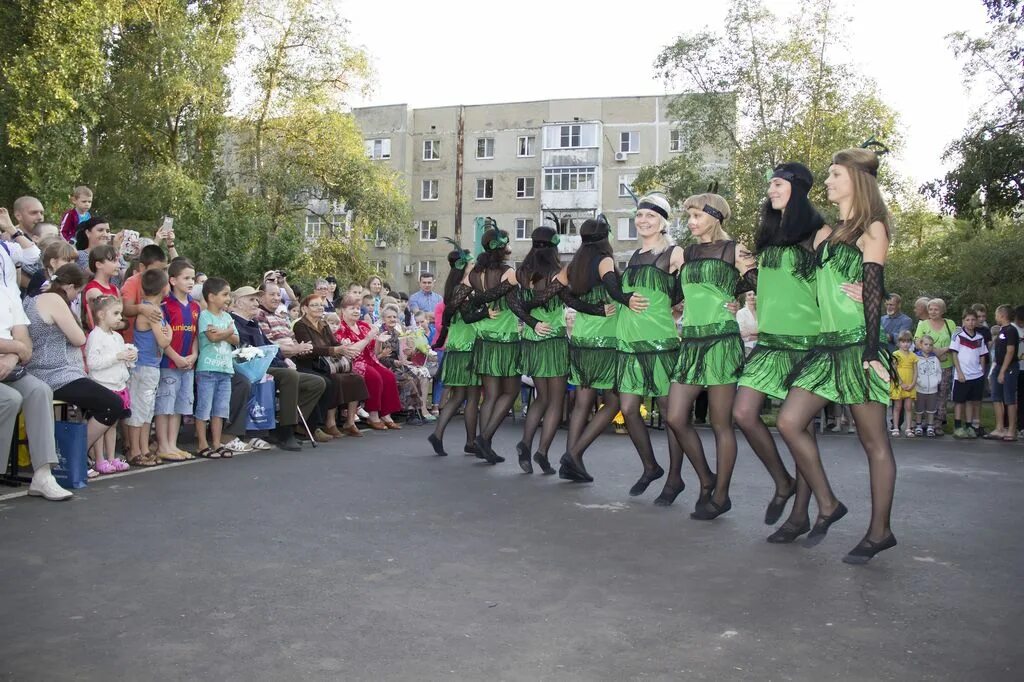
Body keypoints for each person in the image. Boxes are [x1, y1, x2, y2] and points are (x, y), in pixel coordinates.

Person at [778, 147, 897, 564]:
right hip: (826, 345)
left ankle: (879, 531)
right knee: (789, 421)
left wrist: (870, 349)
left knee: (873, 442)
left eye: (834, 175)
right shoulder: (832, 232)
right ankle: (827, 503)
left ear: (856, 180)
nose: (827, 182)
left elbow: (874, 291)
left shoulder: (873, 228)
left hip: (857, 346)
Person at [733, 162, 835, 539]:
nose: (771, 190)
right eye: (770, 185)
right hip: (769, 342)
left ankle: (799, 516)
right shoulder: (771, 233)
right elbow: (777, 286)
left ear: (797, 187)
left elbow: (841, 275)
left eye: (777, 184)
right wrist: (748, 272)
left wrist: (865, 292)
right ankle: (783, 482)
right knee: (743, 413)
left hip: (808, 343)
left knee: (798, 431)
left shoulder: (819, 233)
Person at [663, 192, 753, 519]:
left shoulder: (734, 249)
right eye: (689, 217)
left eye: (696, 216)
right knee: (674, 417)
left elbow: (760, 279)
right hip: (691, 341)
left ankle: (721, 495)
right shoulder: (687, 253)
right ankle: (705, 479)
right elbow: (678, 292)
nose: (691, 223)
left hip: (721, 341)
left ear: (714, 216)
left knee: (720, 424)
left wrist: (738, 295)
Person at [604, 194, 695, 497]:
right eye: (640, 215)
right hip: (628, 342)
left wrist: (709, 305)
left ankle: (674, 478)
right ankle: (650, 466)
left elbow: (693, 286)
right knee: (629, 409)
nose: (643, 220)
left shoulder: (674, 252)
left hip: (659, 343)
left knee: (672, 416)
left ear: (663, 221)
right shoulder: (634, 255)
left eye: (650, 216)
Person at [512, 225, 601, 475]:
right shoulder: (558, 273)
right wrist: (597, 309)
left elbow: (517, 305)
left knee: (542, 397)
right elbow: (570, 300)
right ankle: (541, 452)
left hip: (531, 340)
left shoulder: (522, 272)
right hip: (554, 339)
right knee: (555, 401)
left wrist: (531, 323)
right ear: (554, 246)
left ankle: (525, 443)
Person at [25, 264, 128, 457]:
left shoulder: (32, 300)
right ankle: (76, 452)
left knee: (87, 406)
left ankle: (73, 453)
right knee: (112, 404)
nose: (75, 298)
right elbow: (79, 338)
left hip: (45, 371)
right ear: (70, 287)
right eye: (78, 292)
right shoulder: (55, 300)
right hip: (56, 374)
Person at [552, 216, 620, 482]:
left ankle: (572, 460)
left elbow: (558, 292)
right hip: (605, 341)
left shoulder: (574, 265)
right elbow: (615, 291)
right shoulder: (605, 261)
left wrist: (587, 308)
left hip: (581, 340)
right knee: (614, 402)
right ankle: (575, 454)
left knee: (582, 403)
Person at [464, 222, 531, 464]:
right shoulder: (508, 273)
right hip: (506, 340)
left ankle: (485, 445)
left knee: (490, 396)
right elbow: (515, 304)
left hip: (484, 339)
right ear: (502, 248)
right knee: (511, 392)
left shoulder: (473, 273)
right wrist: (532, 320)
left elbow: (463, 304)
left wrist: (480, 309)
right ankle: (485, 438)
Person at [0, 282, 73, 501]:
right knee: (10, 399)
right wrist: (17, 348)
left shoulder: (8, 294)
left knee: (39, 390)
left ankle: (43, 475)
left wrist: (13, 356)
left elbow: (25, 343)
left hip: (10, 366)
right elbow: (20, 345)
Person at [231, 285, 328, 449]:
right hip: (250, 369)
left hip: (267, 366)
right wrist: (281, 362)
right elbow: (246, 353)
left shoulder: (253, 323)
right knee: (289, 376)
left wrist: (285, 359)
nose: (256, 303)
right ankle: (286, 431)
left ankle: (283, 422)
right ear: (239, 303)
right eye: (252, 299)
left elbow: (271, 348)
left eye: (256, 299)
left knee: (316, 382)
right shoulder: (234, 323)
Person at [428, 247, 490, 457]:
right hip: (466, 347)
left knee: (461, 395)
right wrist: (486, 312)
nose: (475, 269)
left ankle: (443, 435)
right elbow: (468, 317)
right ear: (464, 267)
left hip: (459, 345)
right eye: (471, 266)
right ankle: (468, 441)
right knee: (470, 397)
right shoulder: (461, 290)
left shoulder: (453, 288)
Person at [291, 294, 370, 437]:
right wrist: (334, 350)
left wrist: (344, 348)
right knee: (330, 381)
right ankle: (324, 424)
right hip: (309, 364)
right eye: (314, 305)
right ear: (304, 308)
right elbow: (310, 349)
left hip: (326, 364)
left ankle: (350, 422)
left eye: (321, 305)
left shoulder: (323, 324)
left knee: (356, 378)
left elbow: (334, 343)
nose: (319, 308)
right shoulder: (300, 325)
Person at [124, 268, 172, 467]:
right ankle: (134, 450)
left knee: (146, 411)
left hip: (151, 366)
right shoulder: (152, 312)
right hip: (142, 366)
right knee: (138, 409)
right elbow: (163, 341)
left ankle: (144, 448)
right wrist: (169, 333)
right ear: (164, 288)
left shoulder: (154, 309)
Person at [335, 294, 403, 429]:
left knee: (388, 376)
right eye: (351, 308)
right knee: (374, 377)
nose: (356, 311)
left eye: (358, 308)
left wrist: (378, 341)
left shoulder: (364, 325)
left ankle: (386, 414)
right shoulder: (340, 328)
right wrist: (367, 339)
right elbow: (351, 352)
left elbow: (375, 352)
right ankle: (373, 416)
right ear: (343, 310)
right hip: (353, 362)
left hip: (371, 360)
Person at [85, 296, 136, 473]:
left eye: (120, 313)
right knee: (101, 423)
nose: (119, 318)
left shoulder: (117, 337)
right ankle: (99, 459)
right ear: (100, 314)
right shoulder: (95, 336)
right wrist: (117, 357)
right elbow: (92, 363)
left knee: (112, 425)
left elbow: (121, 361)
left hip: (118, 384)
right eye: (115, 313)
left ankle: (111, 456)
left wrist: (129, 358)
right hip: (102, 385)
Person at [154, 259, 199, 461]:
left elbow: (196, 334)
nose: (190, 282)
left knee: (180, 406)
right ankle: (162, 444)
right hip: (169, 364)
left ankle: (173, 444)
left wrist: (194, 355)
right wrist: (175, 357)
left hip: (188, 364)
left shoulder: (195, 306)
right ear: (172, 280)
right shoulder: (165, 305)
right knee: (165, 405)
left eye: (192, 278)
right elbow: (162, 337)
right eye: (186, 278)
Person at [194, 277, 238, 458]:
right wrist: (227, 331)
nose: (228, 298)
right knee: (204, 407)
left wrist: (223, 333)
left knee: (220, 409)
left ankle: (216, 442)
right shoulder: (205, 315)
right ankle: (202, 444)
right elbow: (212, 337)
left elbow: (236, 340)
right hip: (207, 369)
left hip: (225, 369)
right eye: (225, 294)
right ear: (211, 297)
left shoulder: (227, 316)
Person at [378, 304, 434, 424]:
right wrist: (395, 362)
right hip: (385, 364)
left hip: (398, 363)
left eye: (394, 317)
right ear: (383, 319)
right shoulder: (380, 333)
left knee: (415, 376)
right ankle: (410, 413)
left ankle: (417, 411)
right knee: (407, 379)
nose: (392, 319)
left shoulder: (397, 333)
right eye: (389, 317)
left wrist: (410, 351)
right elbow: (378, 356)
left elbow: (404, 352)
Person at [121, 243, 176, 343]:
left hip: (155, 341)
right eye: (156, 270)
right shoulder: (132, 282)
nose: (161, 274)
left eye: (164, 269)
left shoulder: (163, 283)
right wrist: (141, 308)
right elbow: (125, 309)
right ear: (142, 267)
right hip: (133, 343)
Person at [914, 298, 956, 428]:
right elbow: (917, 342)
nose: (933, 312)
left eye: (936, 309)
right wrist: (935, 352)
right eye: (930, 309)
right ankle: (923, 421)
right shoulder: (923, 324)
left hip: (945, 364)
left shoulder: (950, 323)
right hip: (926, 365)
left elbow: (956, 341)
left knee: (942, 393)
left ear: (942, 310)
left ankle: (938, 422)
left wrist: (943, 350)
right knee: (925, 393)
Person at [950, 308, 988, 439]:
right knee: (959, 401)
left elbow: (983, 355)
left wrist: (982, 371)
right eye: (968, 320)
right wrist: (959, 372)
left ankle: (969, 426)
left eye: (973, 320)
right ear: (963, 321)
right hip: (963, 375)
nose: (971, 322)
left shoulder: (980, 337)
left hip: (976, 375)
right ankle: (958, 426)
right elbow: (954, 354)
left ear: (976, 321)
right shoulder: (958, 336)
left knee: (971, 402)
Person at [986, 304, 1019, 442]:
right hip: (998, 366)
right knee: (996, 397)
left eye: (996, 314)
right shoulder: (1001, 330)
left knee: (1009, 398)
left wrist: (1003, 370)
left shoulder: (1011, 330)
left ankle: (1011, 429)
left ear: (1002, 315)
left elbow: (1010, 351)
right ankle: (999, 428)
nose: (995, 317)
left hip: (1008, 368)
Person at [0, 204, 42, 290]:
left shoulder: (6, 247)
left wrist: (11, 229)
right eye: (33, 212)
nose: (40, 216)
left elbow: (34, 256)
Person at [82, 244, 121, 330]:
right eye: (114, 261)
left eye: (118, 261)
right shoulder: (93, 290)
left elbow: (120, 318)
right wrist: (124, 324)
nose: (119, 265)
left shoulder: (115, 289)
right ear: (99, 264)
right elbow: (107, 322)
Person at [889, 330, 918, 438]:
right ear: (898, 343)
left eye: (908, 342)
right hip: (898, 384)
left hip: (910, 385)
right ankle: (896, 427)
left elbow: (915, 371)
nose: (905, 344)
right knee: (897, 406)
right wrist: (900, 383)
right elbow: (893, 370)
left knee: (909, 407)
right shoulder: (895, 354)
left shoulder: (913, 356)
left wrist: (913, 383)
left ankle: (908, 428)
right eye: (903, 342)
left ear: (911, 343)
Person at [914, 335, 942, 437]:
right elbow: (914, 372)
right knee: (919, 409)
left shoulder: (935, 359)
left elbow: (939, 371)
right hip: (920, 388)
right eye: (926, 344)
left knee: (931, 409)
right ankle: (918, 426)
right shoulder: (916, 358)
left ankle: (930, 426)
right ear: (920, 345)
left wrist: (937, 381)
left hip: (933, 389)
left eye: (930, 345)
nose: (928, 347)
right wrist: (918, 381)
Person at [737, 291, 758, 355]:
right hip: (748, 348)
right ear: (745, 298)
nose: (752, 296)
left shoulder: (760, 312)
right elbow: (742, 333)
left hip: (761, 347)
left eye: (754, 294)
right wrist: (759, 333)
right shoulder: (741, 313)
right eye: (749, 295)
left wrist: (751, 334)